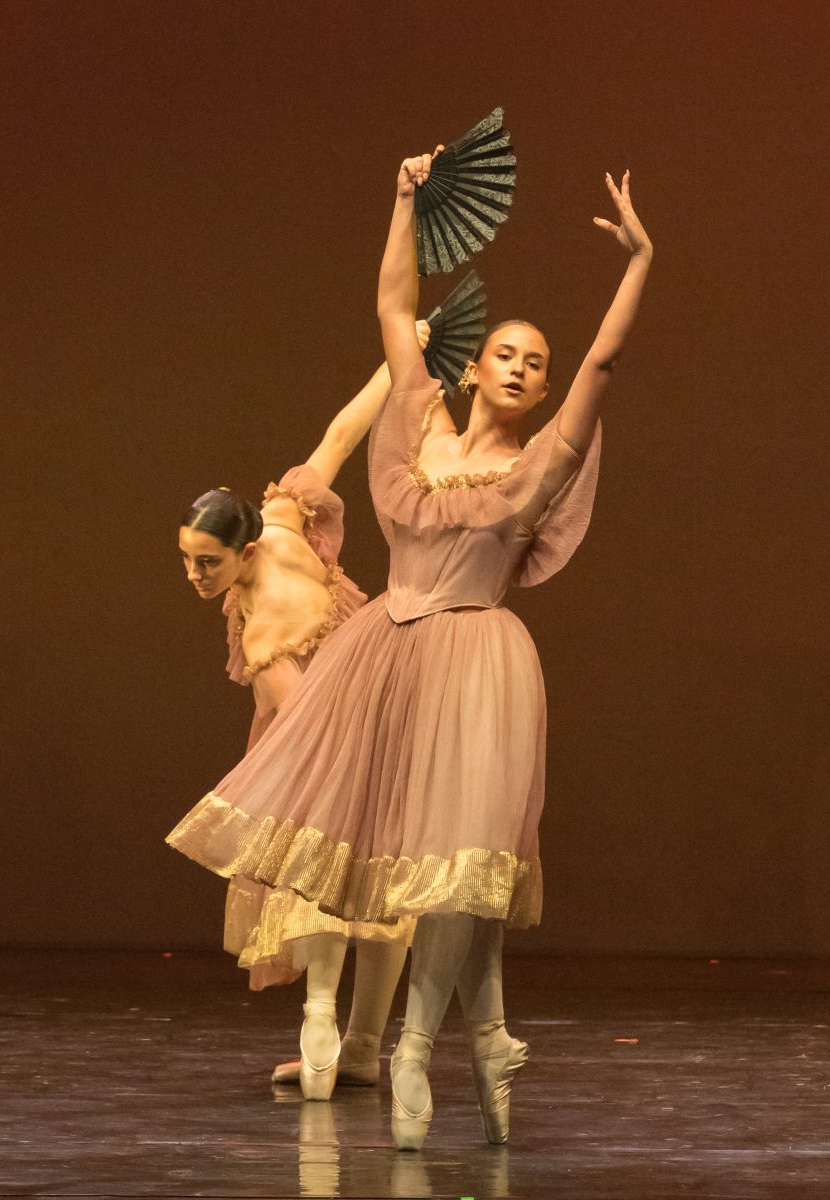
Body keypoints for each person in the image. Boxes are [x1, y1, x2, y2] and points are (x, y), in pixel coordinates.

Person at [167, 153, 652, 1148]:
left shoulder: (537, 464)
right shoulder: (417, 429)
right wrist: (401, 201)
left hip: (475, 662)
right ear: (473, 366)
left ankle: (414, 1049)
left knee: (461, 867)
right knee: (398, 860)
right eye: (505, 353)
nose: (518, 368)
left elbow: (602, 368)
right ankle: (481, 1038)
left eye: (535, 363)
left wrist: (640, 262)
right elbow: (393, 307)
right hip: (385, 652)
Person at [177, 332, 428, 1099]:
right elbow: (340, 433)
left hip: (332, 729)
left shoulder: (262, 630)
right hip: (380, 705)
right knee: (381, 879)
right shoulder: (284, 515)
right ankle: (355, 1046)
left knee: (319, 866)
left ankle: (323, 1028)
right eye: (186, 558)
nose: (193, 575)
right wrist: (401, 357)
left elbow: (306, 725)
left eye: (207, 563)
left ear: (245, 551)